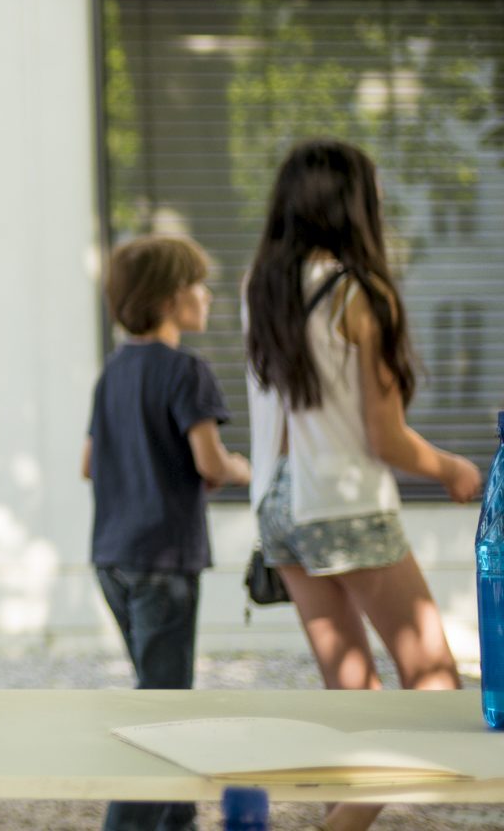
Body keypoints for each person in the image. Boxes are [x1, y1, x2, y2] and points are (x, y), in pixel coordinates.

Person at [243, 138, 481, 831]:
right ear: (353, 207)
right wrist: (454, 467)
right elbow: (386, 439)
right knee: (434, 686)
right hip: (344, 501)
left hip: (277, 508)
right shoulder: (360, 294)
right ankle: (338, 827)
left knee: (351, 693)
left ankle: (342, 819)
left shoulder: (261, 288)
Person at [82, 234, 250, 831]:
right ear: (174, 299)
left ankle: (176, 820)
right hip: (165, 557)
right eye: (199, 286)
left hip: (111, 557)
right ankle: (127, 823)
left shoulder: (113, 373)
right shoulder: (188, 372)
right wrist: (240, 468)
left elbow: (88, 463)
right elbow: (208, 462)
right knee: (165, 706)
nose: (207, 295)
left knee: (156, 689)